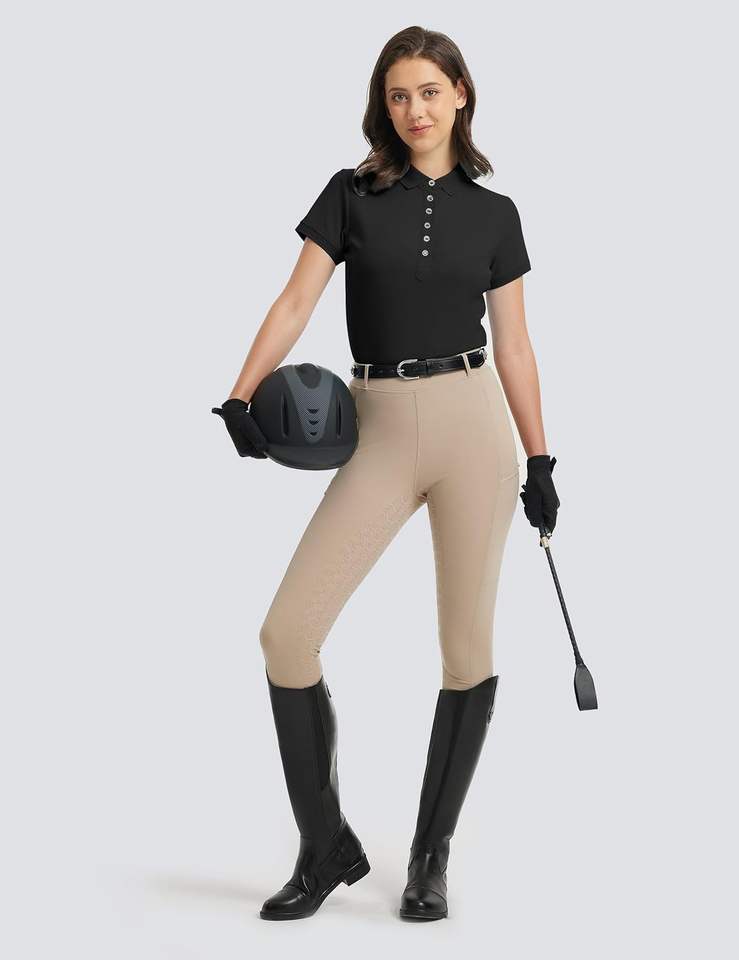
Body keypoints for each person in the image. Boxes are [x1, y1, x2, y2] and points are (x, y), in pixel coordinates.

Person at [212, 25, 560, 922]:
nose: (414, 110)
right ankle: (324, 844)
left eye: (429, 92)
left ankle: (429, 858)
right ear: (384, 104)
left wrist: (539, 458)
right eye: (398, 94)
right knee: (287, 636)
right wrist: (241, 392)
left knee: (466, 651)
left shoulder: (496, 214)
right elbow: (297, 298)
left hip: (473, 428)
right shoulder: (350, 193)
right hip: (375, 428)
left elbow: (514, 346)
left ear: (461, 95)